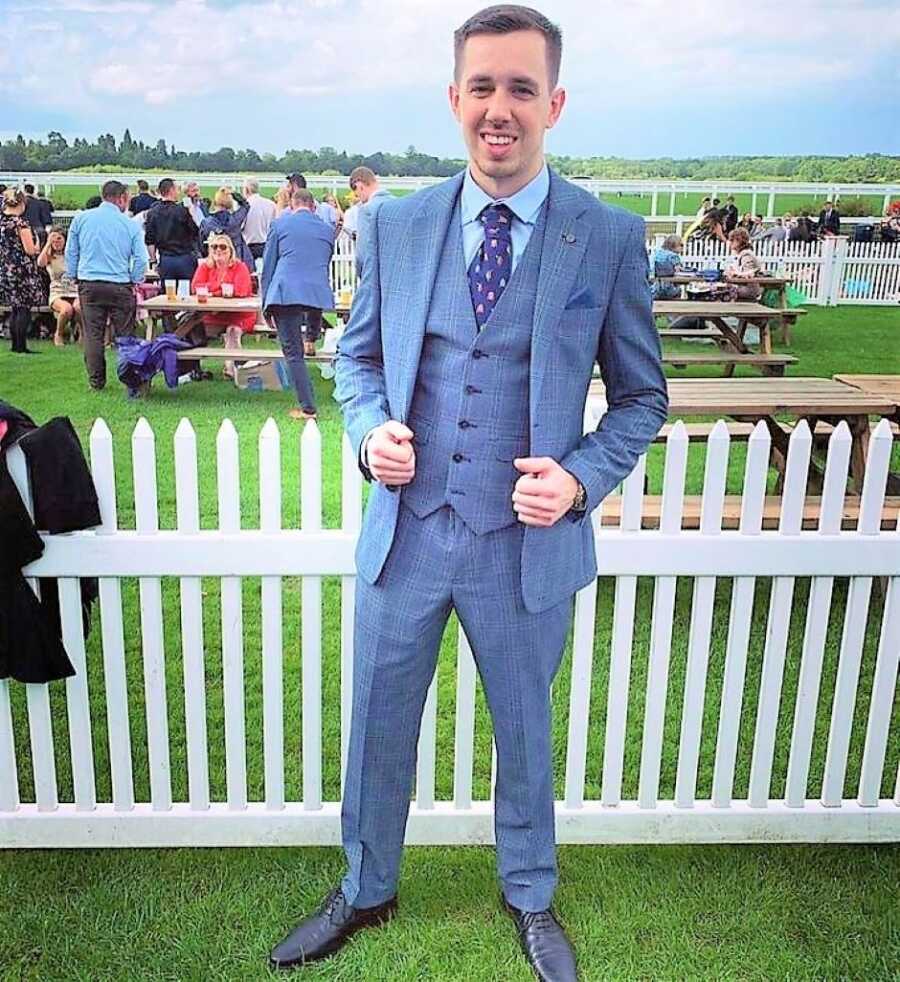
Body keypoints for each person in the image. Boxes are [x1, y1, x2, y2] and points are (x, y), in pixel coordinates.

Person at [269, 6, 668, 979]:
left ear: (554, 103)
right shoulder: (394, 223)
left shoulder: (607, 238)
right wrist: (368, 438)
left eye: (521, 88)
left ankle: (530, 894)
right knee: (377, 724)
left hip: (525, 545)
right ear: (456, 99)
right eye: (482, 86)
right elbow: (353, 360)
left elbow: (643, 395)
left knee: (525, 731)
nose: (500, 107)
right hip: (407, 536)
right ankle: (366, 884)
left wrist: (577, 477)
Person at [65, 179, 148, 389]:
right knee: (125, 335)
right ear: (121, 198)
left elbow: (71, 251)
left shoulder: (81, 219)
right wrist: (135, 278)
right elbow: (140, 258)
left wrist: (74, 274)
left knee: (93, 334)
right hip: (120, 283)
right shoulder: (129, 224)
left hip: (90, 283)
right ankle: (129, 379)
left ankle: (96, 381)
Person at [260, 188, 335, 419]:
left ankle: (308, 407)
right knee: (312, 302)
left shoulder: (280, 225)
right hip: (316, 290)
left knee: (293, 353)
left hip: (285, 290)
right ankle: (311, 338)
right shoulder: (328, 229)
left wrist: (266, 304)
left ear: (292, 206)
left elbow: (269, 266)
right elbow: (323, 261)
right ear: (313, 207)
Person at [190, 232, 256, 379]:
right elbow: (196, 287)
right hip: (213, 314)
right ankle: (191, 369)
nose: (218, 250)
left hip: (239, 314)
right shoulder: (205, 266)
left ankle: (231, 369)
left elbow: (240, 290)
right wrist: (221, 288)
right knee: (190, 326)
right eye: (214, 247)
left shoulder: (240, 266)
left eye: (222, 247)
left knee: (233, 331)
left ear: (230, 250)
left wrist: (212, 291)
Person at [0, 188, 43, 354]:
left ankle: (14, 345)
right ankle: (21, 345)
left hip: (6, 269)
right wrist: (37, 244)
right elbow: (30, 250)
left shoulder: (2, 223)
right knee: (24, 308)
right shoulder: (20, 224)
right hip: (22, 270)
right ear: (22, 203)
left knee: (14, 307)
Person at [144, 178, 198, 291]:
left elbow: (150, 241)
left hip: (166, 259)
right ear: (172, 190)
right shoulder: (182, 211)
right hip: (185, 258)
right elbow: (195, 232)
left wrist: (153, 261)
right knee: (186, 293)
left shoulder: (152, 212)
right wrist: (191, 213)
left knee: (168, 295)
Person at [37, 227, 80, 346]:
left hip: (74, 289)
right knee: (66, 309)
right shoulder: (49, 256)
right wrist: (48, 243)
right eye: (54, 240)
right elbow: (40, 263)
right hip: (57, 291)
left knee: (79, 307)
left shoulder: (72, 255)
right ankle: (59, 334)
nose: (57, 242)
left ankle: (82, 334)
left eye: (59, 239)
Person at [348, 166, 393, 274]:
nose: (358, 198)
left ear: (360, 186)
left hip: (376, 277)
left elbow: (362, 255)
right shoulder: (398, 204)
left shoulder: (366, 210)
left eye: (356, 194)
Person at [199, 187, 254, 267]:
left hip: (216, 261)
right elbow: (246, 205)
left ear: (215, 203)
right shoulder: (235, 219)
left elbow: (202, 245)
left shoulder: (207, 222)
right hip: (237, 260)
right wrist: (233, 194)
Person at [724, 228, 764, 300]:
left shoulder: (746, 256)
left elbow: (749, 274)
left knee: (722, 292)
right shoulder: (743, 254)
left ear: (739, 241)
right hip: (745, 288)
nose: (730, 242)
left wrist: (734, 273)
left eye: (732, 240)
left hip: (749, 290)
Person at [242, 178, 276, 261]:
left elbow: (240, 227)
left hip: (249, 248)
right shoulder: (271, 205)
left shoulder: (245, 206)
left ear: (246, 190)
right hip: (266, 246)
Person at [650, 234, 684, 299]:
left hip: (656, 289)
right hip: (669, 289)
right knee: (679, 290)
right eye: (681, 245)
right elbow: (678, 271)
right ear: (674, 245)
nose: (682, 247)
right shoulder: (674, 256)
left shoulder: (657, 254)